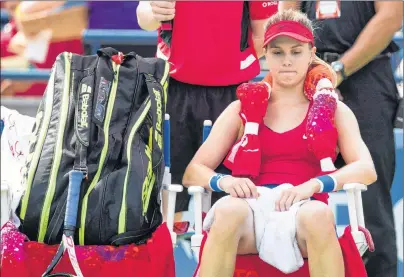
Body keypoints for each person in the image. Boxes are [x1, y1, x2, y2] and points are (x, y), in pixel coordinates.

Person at [182, 10, 377, 277]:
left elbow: (366, 169)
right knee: (227, 210)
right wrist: (224, 182)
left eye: (296, 52)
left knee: (318, 215)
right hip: (252, 210)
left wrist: (314, 184)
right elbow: (194, 172)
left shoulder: (333, 109)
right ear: (266, 54)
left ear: (312, 53)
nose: (287, 61)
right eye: (277, 53)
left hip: (305, 211)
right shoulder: (242, 107)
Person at [279, 2, 403, 276]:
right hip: (306, 75)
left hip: (367, 77)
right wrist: (312, 70)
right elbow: (285, 17)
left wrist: (337, 71)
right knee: (292, 193)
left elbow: (391, 17)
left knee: (371, 202)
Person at [136, 1, 278, 221]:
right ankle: (169, 247)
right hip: (174, 87)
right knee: (170, 200)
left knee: (227, 200)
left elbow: (264, 33)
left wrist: (225, 60)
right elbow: (143, 15)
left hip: (233, 92)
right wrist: (153, 13)